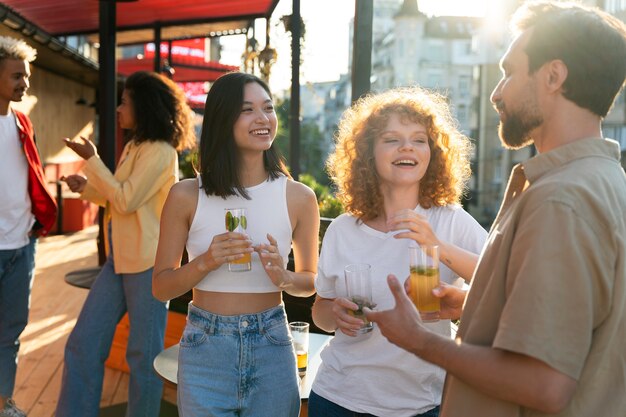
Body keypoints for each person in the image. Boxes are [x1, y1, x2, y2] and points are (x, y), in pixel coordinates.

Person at [366, 2, 626, 416]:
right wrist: (475, 306)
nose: (496, 91)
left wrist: (420, 339)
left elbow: (544, 383)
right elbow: (578, 329)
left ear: (553, 76)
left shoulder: (561, 199)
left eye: (508, 71)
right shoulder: (602, 181)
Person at [309, 86, 487, 417]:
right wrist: (335, 314)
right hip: (338, 399)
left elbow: (501, 278)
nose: (407, 146)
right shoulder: (343, 229)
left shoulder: (451, 220)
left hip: (421, 405)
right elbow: (321, 309)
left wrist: (438, 247)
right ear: (368, 153)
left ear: (432, 152)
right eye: (392, 139)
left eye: (419, 139)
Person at [152, 71, 320, 417]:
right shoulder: (185, 195)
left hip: (272, 344)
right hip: (205, 346)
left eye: (269, 108)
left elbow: (310, 282)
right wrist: (205, 262)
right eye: (248, 110)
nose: (263, 119)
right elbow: (160, 287)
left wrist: (284, 277)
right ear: (223, 119)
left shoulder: (299, 197)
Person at [55, 71, 195, 417]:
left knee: (143, 359)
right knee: (83, 344)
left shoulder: (161, 152)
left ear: (144, 106)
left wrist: (92, 159)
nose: (118, 109)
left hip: (148, 266)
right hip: (119, 261)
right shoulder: (135, 146)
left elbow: (126, 200)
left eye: (124, 102)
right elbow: (118, 198)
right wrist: (87, 187)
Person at [0, 36, 56, 417]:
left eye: (27, 76)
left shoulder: (21, 121)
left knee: (10, 333)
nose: (25, 84)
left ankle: (3, 403)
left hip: (22, 244)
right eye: (17, 76)